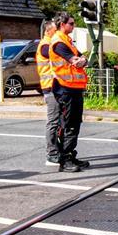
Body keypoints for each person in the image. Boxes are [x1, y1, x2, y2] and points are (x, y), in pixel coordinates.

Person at [48, 13, 90, 172]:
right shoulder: (59, 43)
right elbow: (76, 61)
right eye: (71, 24)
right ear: (62, 24)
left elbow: (82, 59)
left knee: (75, 123)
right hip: (64, 88)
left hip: (74, 88)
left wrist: (81, 61)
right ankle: (64, 159)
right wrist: (80, 61)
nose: (73, 26)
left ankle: (70, 155)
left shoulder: (68, 41)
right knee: (68, 124)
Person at [34, 19, 61, 166]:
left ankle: (57, 151)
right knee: (53, 121)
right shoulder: (46, 45)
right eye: (55, 30)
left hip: (57, 87)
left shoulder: (50, 43)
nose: (57, 32)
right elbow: (54, 55)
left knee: (58, 121)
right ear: (48, 31)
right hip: (50, 88)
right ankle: (51, 154)